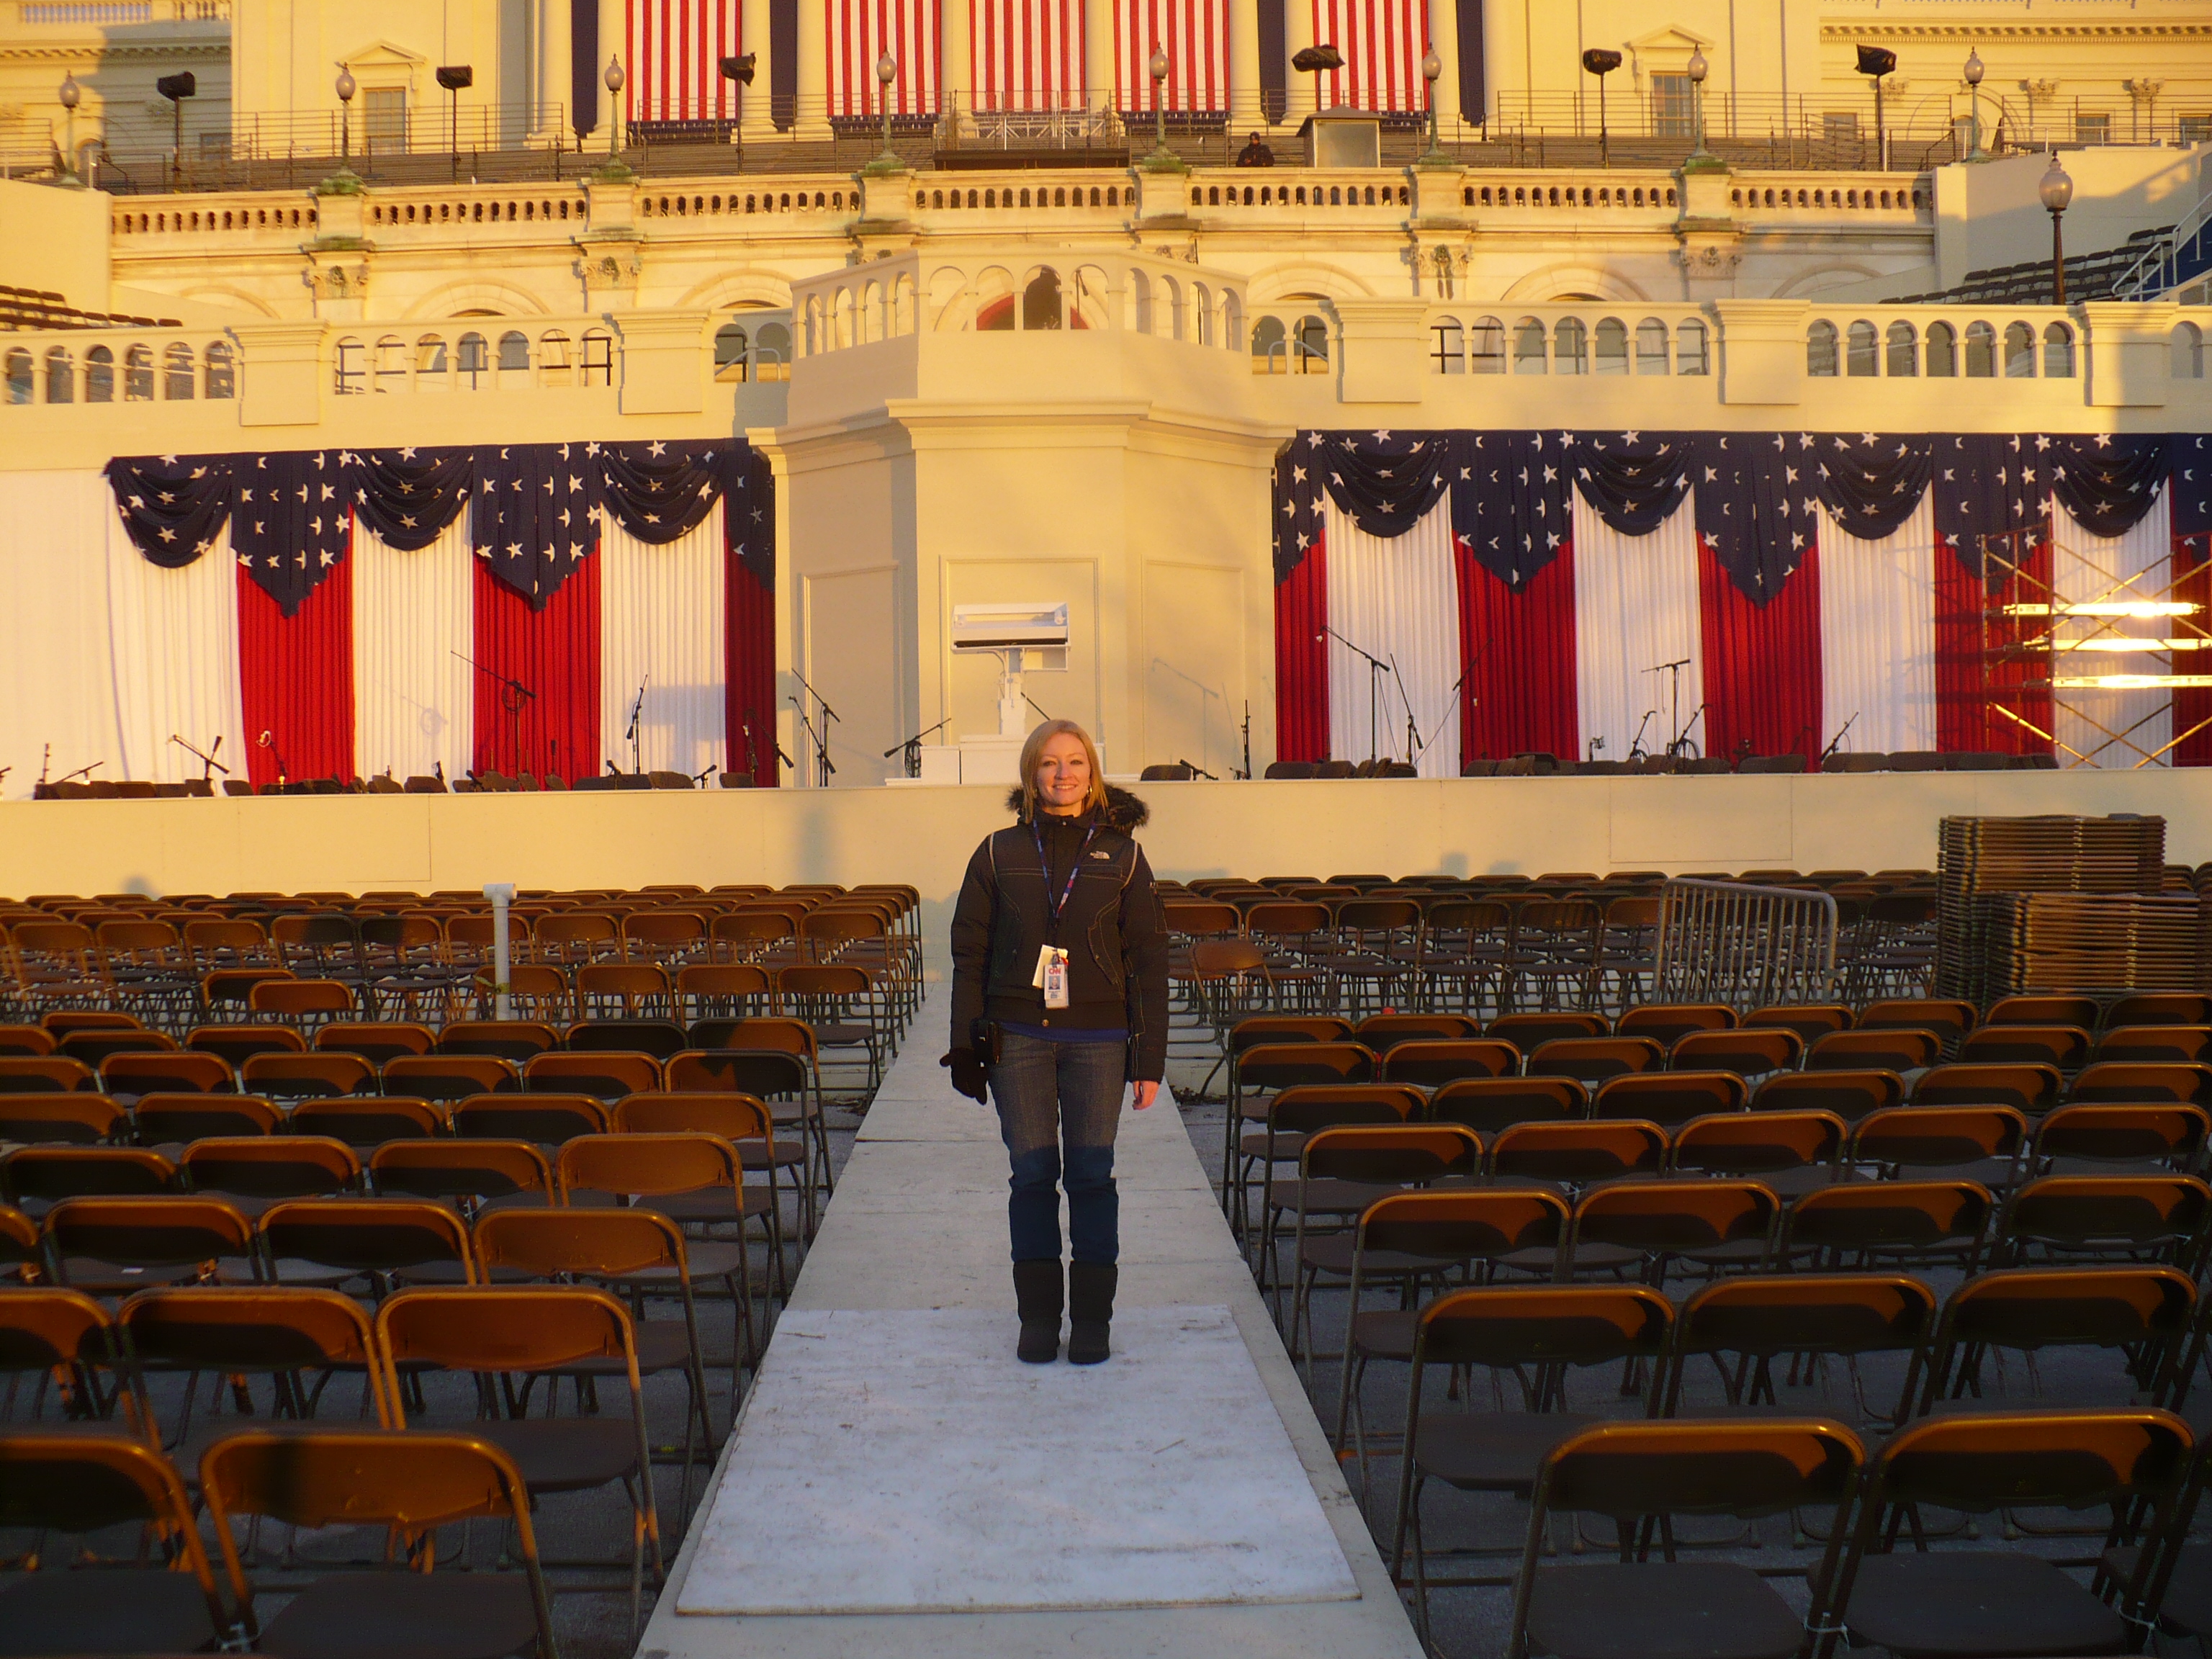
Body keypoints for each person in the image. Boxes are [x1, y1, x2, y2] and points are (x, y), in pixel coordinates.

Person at [943, 720, 1167, 1365]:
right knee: (1033, 1176)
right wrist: (967, 1047)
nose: (1062, 773)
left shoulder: (1122, 856)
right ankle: (1039, 1317)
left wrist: (1147, 1060)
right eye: (1049, 763)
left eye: (1075, 763)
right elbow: (970, 954)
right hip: (1018, 1039)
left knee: (1092, 1176)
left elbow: (1149, 961)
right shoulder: (995, 853)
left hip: (1099, 1040)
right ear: (1030, 773)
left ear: (1092, 775)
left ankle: (1091, 1322)